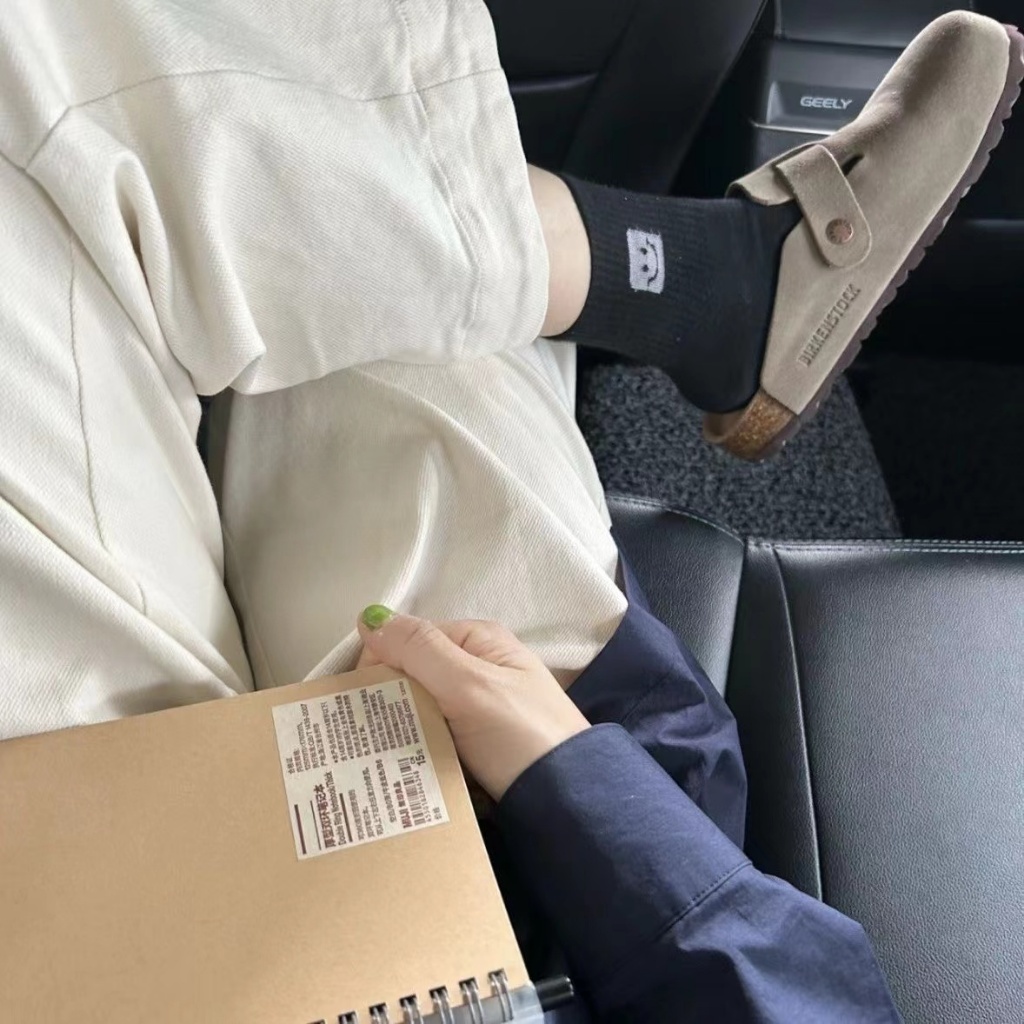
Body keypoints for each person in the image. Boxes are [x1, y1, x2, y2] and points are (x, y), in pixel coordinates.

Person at [0, 0, 1018, 1019]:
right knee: (385, 322)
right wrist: (575, 788)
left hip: (74, 913)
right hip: (509, 894)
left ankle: (705, 287)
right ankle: (699, 286)